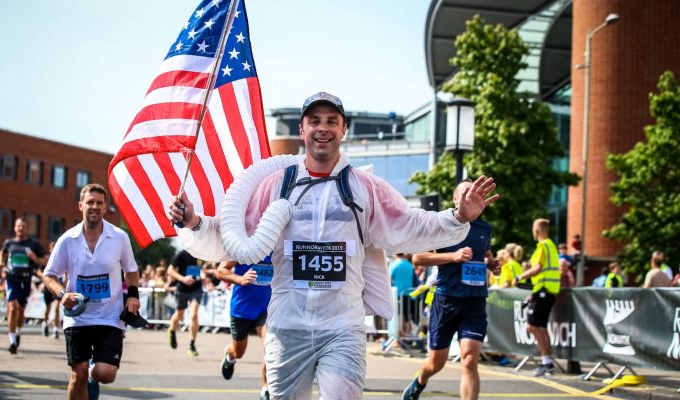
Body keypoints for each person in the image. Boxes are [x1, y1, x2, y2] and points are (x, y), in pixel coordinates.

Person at [169, 92, 498, 400]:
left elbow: (410, 225)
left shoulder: (365, 187)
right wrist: (195, 222)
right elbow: (234, 238)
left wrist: (457, 217)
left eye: (331, 121)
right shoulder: (275, 183)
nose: (322, 128)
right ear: (302, 129)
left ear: (344, 130)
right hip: (287, 326)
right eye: (314, 121)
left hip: (342, 328)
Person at [403, 180, 500, 400]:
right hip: (446, 300)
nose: (470, 195)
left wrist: (492, 264)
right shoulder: (442, 223)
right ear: (455, 199)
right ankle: (420, 381)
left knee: (469, 359)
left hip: (475, 301)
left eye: (473, 192)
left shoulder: (484, 228)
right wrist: (452, 256)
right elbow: (418, 258)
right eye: (465, 192)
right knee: (436, 363)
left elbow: (486, 253)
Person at [42, 183, 140, 400]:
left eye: (99, 203)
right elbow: (49, 276)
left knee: (106, 374)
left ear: (105, 208)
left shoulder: (119, 237)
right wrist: (62, 294)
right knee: (78, 373)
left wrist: (133, 295)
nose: (94, 206)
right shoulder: (67, 240)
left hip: (110, 317)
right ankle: (86, 378)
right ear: (80, 206)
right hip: (78, 318)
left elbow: (131, 271)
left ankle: (92, 377)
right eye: (90, 202)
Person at [216, 258, 272, 400]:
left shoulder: (276, 246)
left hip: (266, 308)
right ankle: (230, 356)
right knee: (238, 353)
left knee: (270, 347)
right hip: (242, 309)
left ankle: (266, 388)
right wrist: (240, 278)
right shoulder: (242, 247)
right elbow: (221, 271)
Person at [514, 218, 561, 376]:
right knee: (541, 327)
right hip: (548, 290)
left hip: (544, 290)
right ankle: (547, 362)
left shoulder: (542, 246)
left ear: (537, 230)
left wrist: (520, 276)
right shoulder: (551, 246)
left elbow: (538, 269)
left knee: (532, 326)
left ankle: (546, 362)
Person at [0, 217, 47, 354]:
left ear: (27, 228)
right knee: (12, 308)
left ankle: (18, 332)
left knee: (20, 311)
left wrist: (35, 259)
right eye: (18, 226)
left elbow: (46, 259)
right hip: (11, 278)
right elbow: (2, 253)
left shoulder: (33, 243)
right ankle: (12, 341)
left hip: (25, 280)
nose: (20, 228)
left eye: (23, 226)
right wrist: (0, 264)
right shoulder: (9, 243)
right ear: (14, 228)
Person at [166, 250, 202, 356]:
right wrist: (183, 279)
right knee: (179, 315)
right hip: (182, 289)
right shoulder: (182, 254)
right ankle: (172, 329)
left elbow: (203, 268)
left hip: (197, 288)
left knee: (194, 315)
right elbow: (170, 270)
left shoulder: (202, 253)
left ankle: (192, 345)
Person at [39, 240, 64, 339]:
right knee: (48, 308)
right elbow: (39, 271)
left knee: (57, 308)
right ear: (49, 249)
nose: (54, 249)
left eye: (55, 247)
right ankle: (45, 323)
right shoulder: (46, 260)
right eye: (52, 247)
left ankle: (56, 330)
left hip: (58, 287)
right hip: (48, 287)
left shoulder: (61, 259)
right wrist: (44, 279)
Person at [389, 253, 415, 336]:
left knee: (399, 316)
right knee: (407, 315)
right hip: (409, 293)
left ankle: (401, 337)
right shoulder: (410, 265)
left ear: (395, 254)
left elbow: (388, 279)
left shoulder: (394, 265)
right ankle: (407, 335)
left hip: (397, 294)